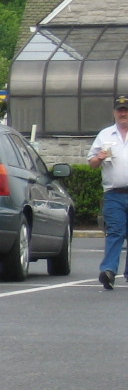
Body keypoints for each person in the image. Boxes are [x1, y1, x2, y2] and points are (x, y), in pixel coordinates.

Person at [87, 95, 128, 289]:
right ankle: (109, 271)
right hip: (114, 193)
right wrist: (99, 158)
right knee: (115, 232)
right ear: (114, 113)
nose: (123, 114)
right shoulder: (105, 135)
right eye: (120, 110)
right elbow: (92, 162)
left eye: (126, 110)